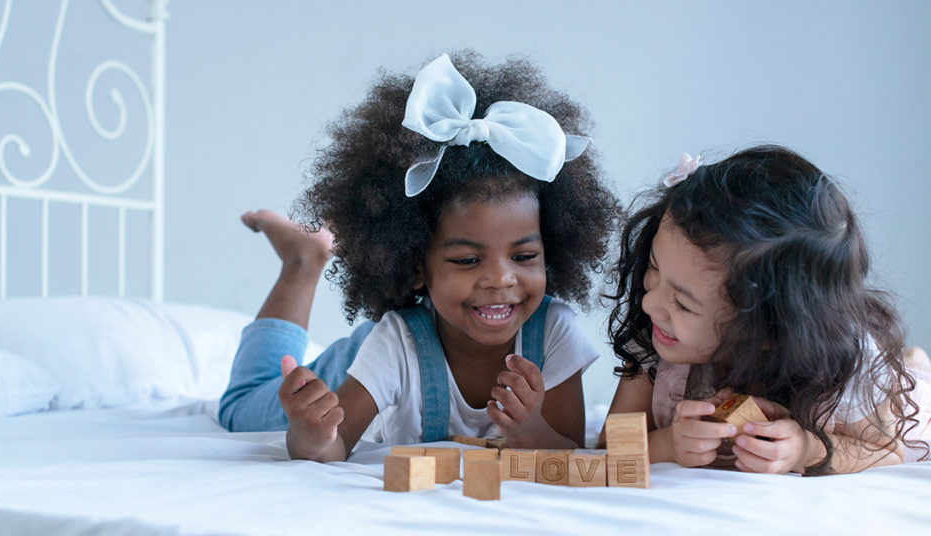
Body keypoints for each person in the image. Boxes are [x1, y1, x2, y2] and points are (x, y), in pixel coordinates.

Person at [218, 52, 620, 462]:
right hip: (369, 353)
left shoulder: (553, 334)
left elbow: (572, 455)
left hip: (428, 324)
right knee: (239, 411)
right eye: (467, 260)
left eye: (524, 256)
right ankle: (301, 263)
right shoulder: (396, 343)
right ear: (414, 266)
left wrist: (531, 428)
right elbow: (330, 447)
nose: (501, 279)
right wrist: (313, 432)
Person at [604, 145, 931, 475]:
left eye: (683, 305)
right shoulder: (656, 335)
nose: (650, 303)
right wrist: (667, 445)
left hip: (905, 412)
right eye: (654, 268)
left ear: (770, 331)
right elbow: (608, 445)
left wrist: (806, 449)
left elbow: (886, 452)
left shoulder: (842, 368)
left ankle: (913, 367)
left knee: (915, 402)